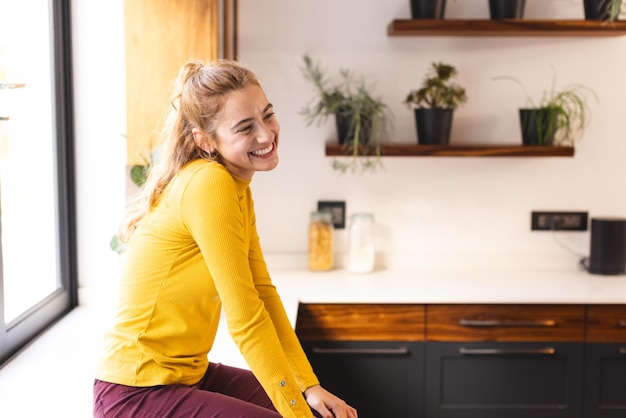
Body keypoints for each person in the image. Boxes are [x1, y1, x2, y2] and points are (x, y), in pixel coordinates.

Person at [93, 59, 358, 418]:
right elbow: (245, 316)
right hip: (137, 392)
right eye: (245, 127)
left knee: (311, 411)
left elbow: (262, 290)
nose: (266, 134)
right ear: (205, 140)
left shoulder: (236, 187)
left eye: (268, 115)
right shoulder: (209, 184)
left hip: (186, 377)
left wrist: (308, 386)